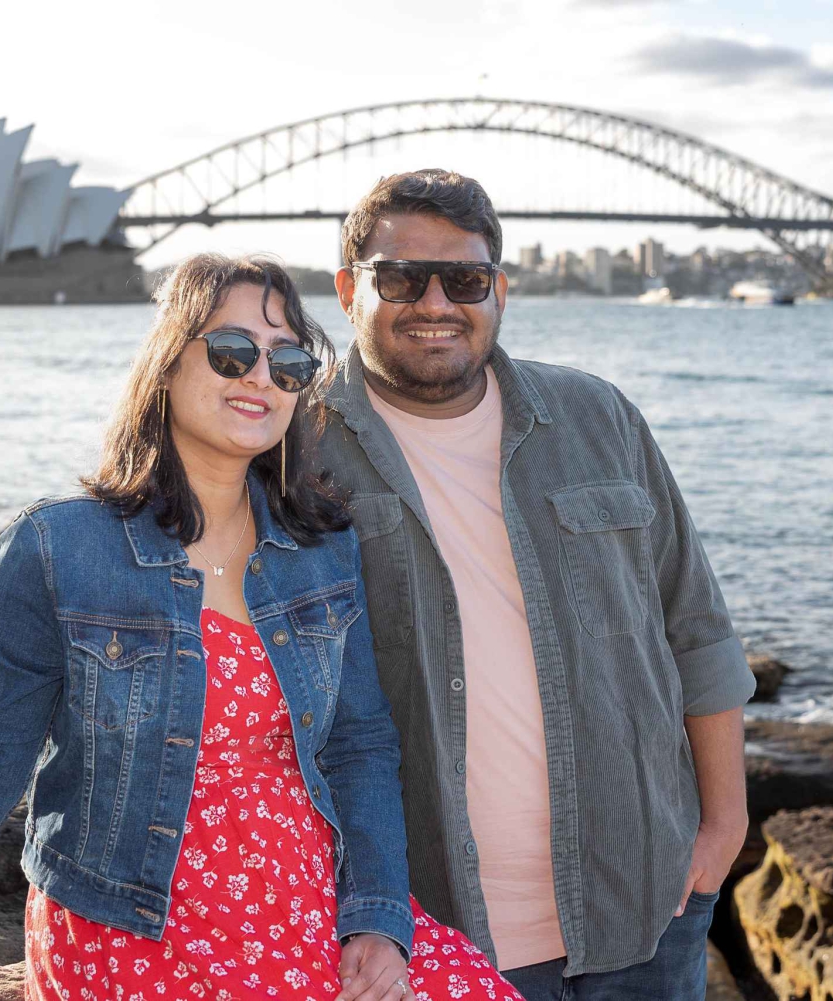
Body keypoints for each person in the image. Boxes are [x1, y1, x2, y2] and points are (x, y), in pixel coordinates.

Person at [0, 255, 523, 1001]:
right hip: (134, 921)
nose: (261, 375)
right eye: (232, 350)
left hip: (313, 899)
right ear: (168, 362)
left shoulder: (319, 546)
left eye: (288, 359)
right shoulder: (59, 548)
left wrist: (377, 918)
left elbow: (359, 745)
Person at [321, 170, 756, 1001]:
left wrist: (723, 827)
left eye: (465, 279)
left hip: (647, 908)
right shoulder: (294, 452)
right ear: (349, 291)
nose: (436, 302)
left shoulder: (599, 418)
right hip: (430, 930)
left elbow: (696, 629)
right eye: (402, 278)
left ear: (500, 289)